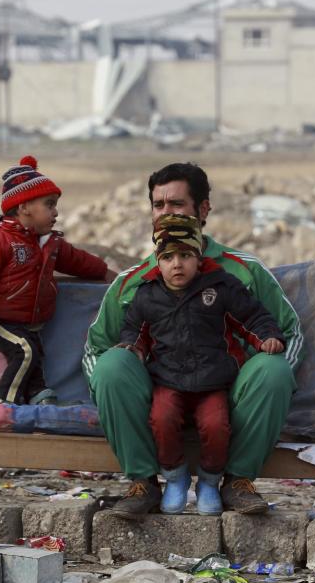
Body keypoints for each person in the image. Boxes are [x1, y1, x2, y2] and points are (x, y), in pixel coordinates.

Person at [83, 162, 303, 519]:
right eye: (158, 205)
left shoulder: (241, 272)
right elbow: (96, 349)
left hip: (226, 389)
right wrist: (118, 389)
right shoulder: (133, 283)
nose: (165, 213)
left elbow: (288, 333)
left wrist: (258, 393)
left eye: (177, 204)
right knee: (110, 367)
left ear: (203, 210)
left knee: (274, 370)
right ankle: (143, 483)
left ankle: (237, 482)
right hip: (160, 392)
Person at [117, 213, 287, 516]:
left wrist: (267, 337)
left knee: (216, 425)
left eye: (185, 255)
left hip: (213, 381)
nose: (177, 264)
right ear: (158, 262)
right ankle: (176, 478)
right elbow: (134, 329)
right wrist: (132, 347)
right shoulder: (147, 294)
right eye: (168, 257)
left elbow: (252, 317)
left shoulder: (221, 286)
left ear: (199, 258)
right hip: (167, 379)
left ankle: (209, 482)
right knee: (162, 418)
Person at [0, 155, 116, 405]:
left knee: (34, 354)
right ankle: (5, 401)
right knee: (26, 352)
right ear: (24, 207)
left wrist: (106, 274)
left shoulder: (49, 243)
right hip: (1, 320)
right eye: (49, 204)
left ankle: (38, 395)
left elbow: (78, 261)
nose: (56, 212)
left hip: (31, 322)